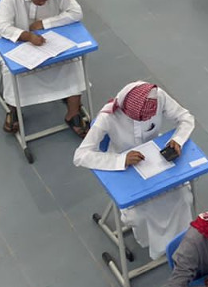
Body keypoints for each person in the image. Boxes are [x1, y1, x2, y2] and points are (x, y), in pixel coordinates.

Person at [74, 81, 197, 258]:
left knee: (184, 198)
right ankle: (155, 246)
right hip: (125, 169)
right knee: (139, 215)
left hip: (156, 163)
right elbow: (80, 155)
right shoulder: (107, 117)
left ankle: (180, 243)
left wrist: (178, 140)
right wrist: (121, 160)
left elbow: (186, 118)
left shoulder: (157, 96)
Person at [0, 0, 88, 137]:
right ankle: (14, 110)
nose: (43, 2)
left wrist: (45, 23)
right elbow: (1, 27)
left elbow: (76, 12)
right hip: (16, 43)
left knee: (74, 62)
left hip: (49, 42)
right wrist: (27, 36)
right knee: (10, 70)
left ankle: (73, 113)